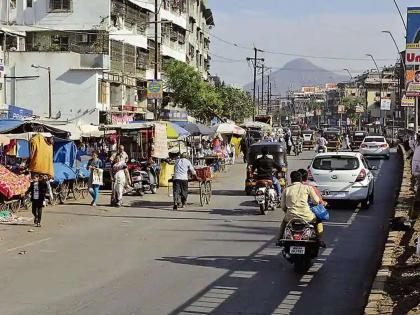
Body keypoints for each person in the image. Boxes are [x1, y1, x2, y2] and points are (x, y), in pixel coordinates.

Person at [277, 171, 325, 247]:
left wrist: (288, 211)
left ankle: (279, 240)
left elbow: (282, 206)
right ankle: (320, 240)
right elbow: (316, 201)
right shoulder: (307, 188)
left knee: (284, 223)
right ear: (300, 179)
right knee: (318, 221)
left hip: (290, 217)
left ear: (291, 179)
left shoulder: (286, 189)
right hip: (307, 216)